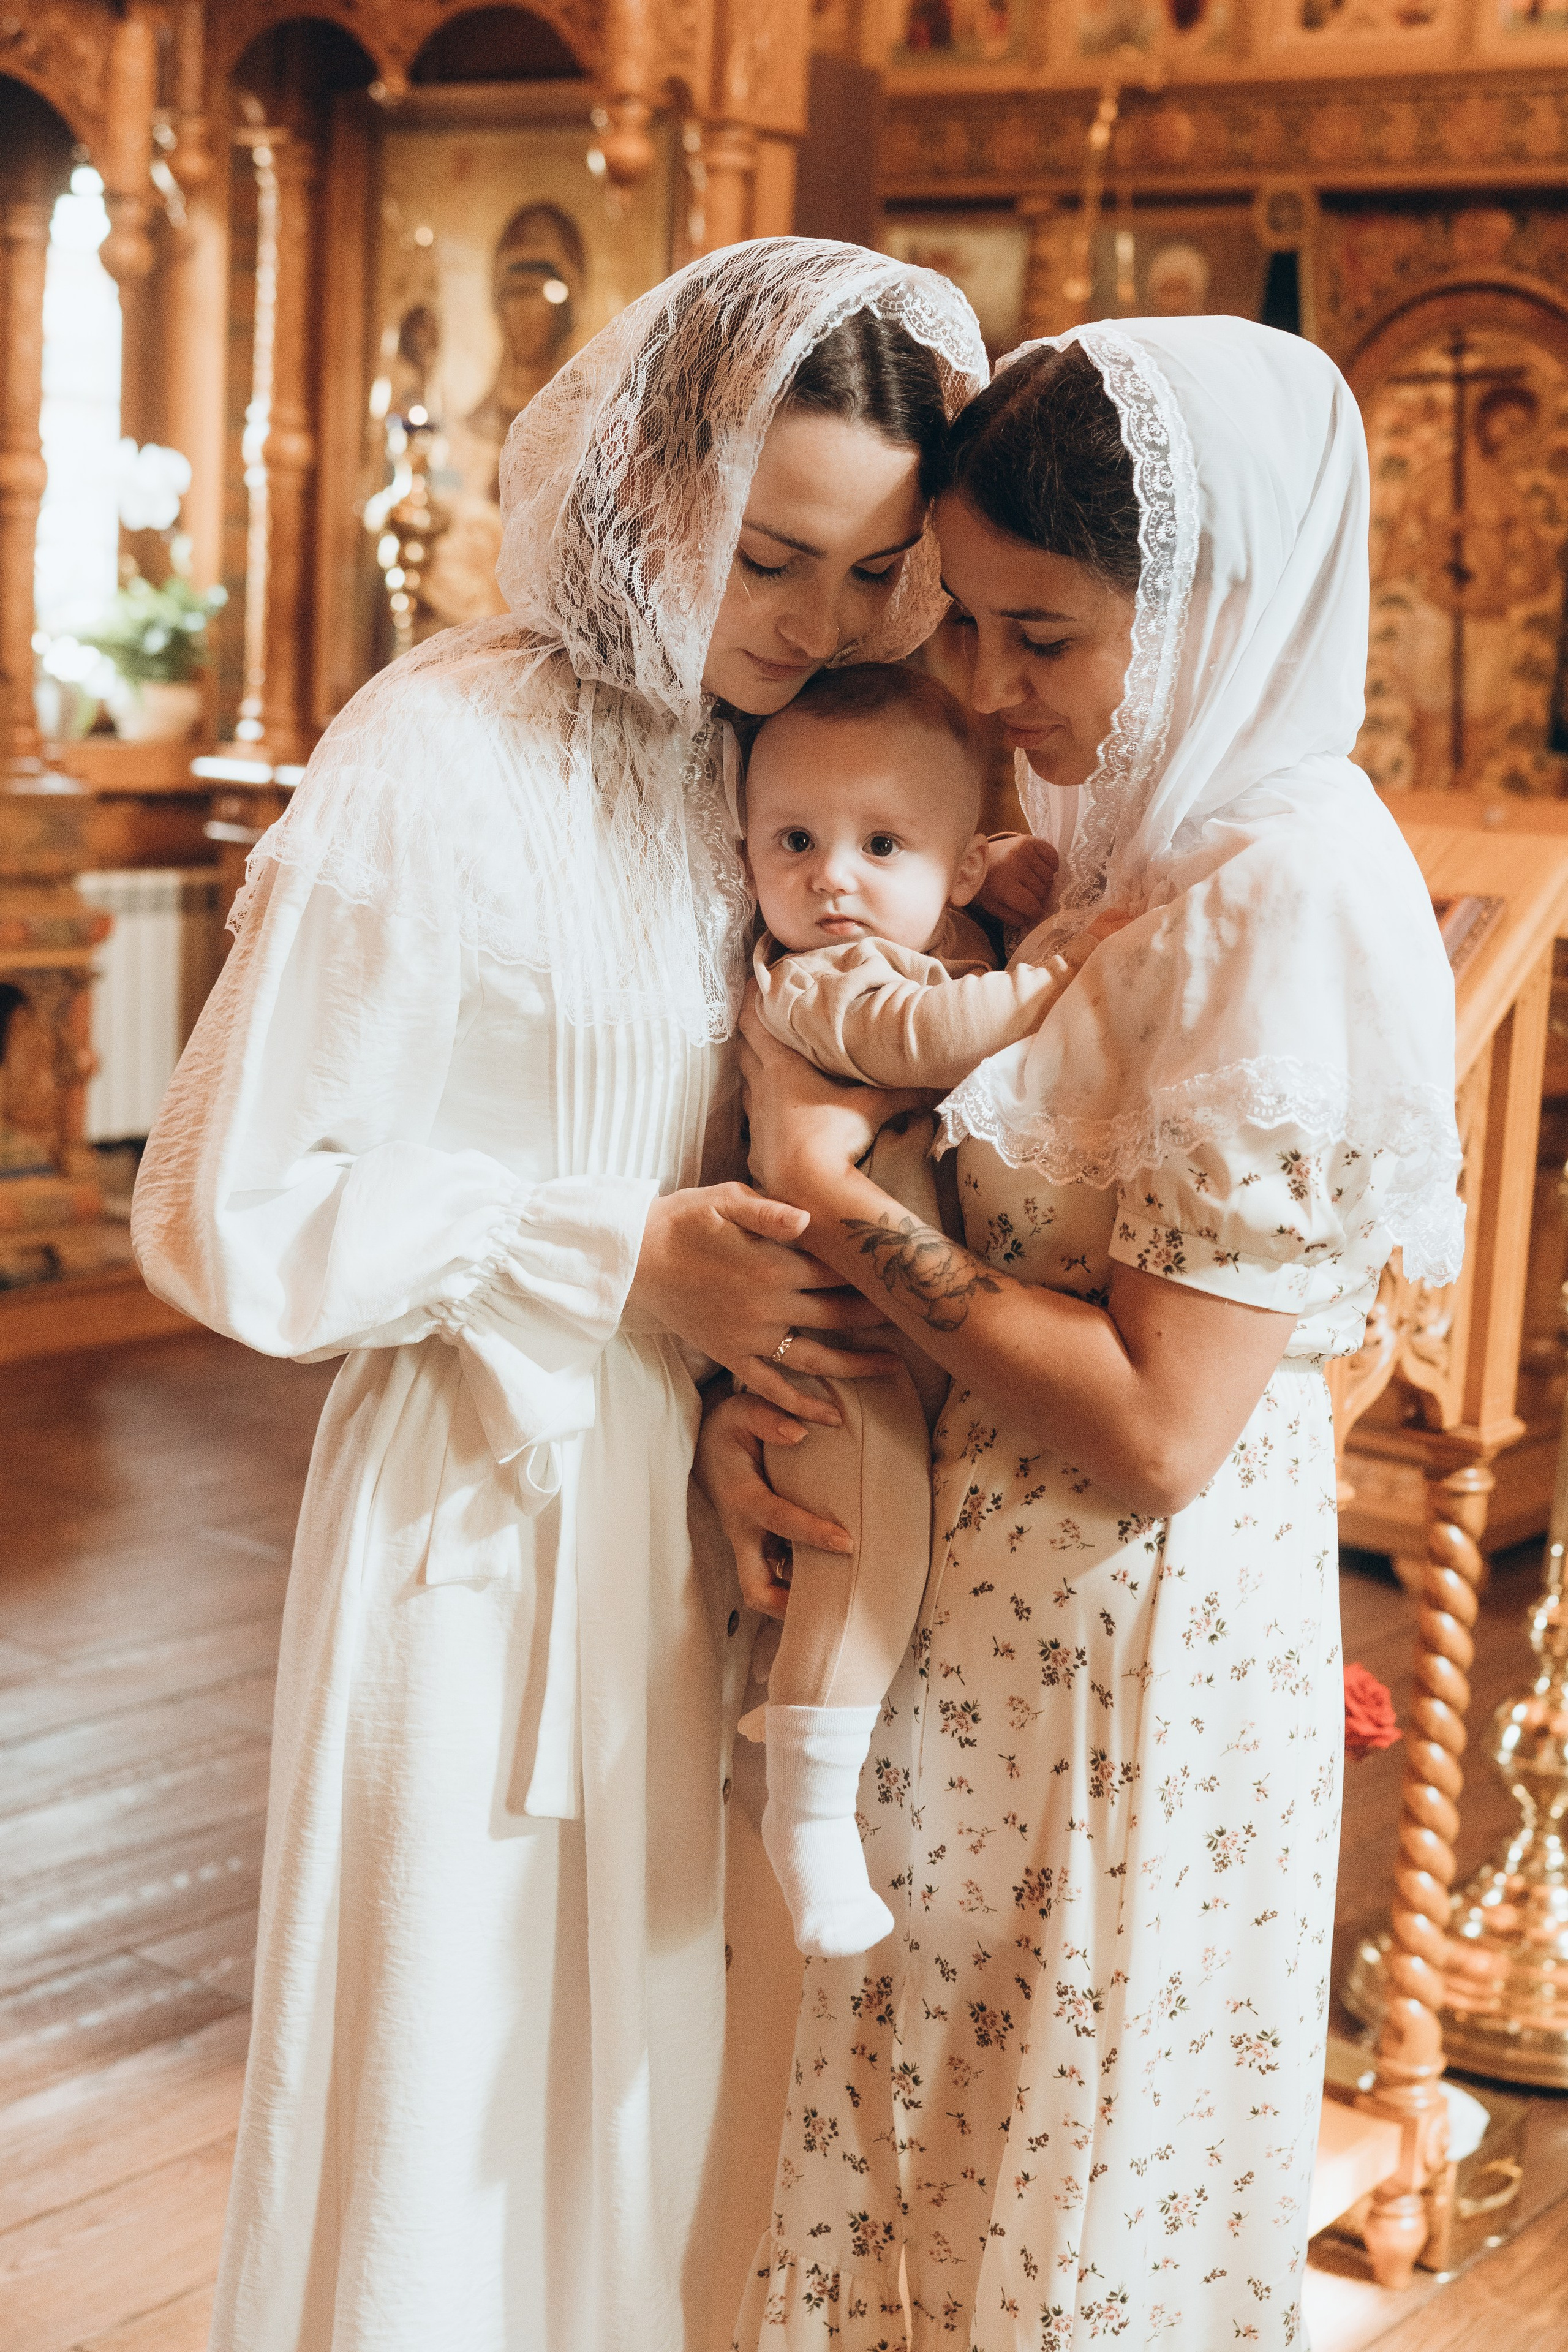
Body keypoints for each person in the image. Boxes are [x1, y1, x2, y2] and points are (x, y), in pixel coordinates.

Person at [130, 239, 987, 2352]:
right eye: (768, 557)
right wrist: (610, 1252)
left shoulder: (787, 771)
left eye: (869, 575)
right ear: (653, 487)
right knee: (457, 2077)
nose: (813, 626)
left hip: (706, 1513)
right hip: (480, 1517)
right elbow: (223, 1207)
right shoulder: (437, 753)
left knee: (653, 2097)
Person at [706, 318, 1464, 2347]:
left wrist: (836, 1195)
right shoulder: (1149, 843)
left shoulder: (1276, 899)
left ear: (1216, 607)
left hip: (1129, 1656)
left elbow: (1156, 1430)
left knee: (1053, 2220)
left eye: (1041, 636)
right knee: (936, 2188)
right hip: (996, 1637)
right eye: (967, 623)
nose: (985, 687)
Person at [741, 661, 1120, 1960]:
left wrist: (1014, 883)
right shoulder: (818, 984)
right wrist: (1064, 967)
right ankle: (804, 1816)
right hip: (832, 1347)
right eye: (792, 841)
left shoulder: (937, 929)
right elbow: (931, 1037)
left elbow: (977, 895)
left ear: (956, 864)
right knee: (868, 1551)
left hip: (907, 1324)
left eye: (880, 845)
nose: (830, 880)